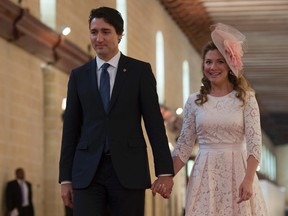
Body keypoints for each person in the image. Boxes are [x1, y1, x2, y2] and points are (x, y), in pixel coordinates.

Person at [59, 6, 174, 216]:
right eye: (94, 32)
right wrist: (65, 178)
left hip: (129, 171)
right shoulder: (78, 76)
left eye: (106, 32)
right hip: (87, 172)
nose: (99, 38)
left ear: (119, 35)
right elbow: (70, 130)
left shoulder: (140, 72)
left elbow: (154, 125)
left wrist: (165, 172)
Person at [152, 23, 268, 215]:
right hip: (204, 173)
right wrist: (166, 176)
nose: (213, 67)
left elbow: (255, 144)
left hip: (238, 172)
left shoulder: (246, 98)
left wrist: (248, 179)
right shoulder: (194, 101)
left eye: (220, 61)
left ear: (230, 64)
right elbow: (184, 146)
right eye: (208, 62)